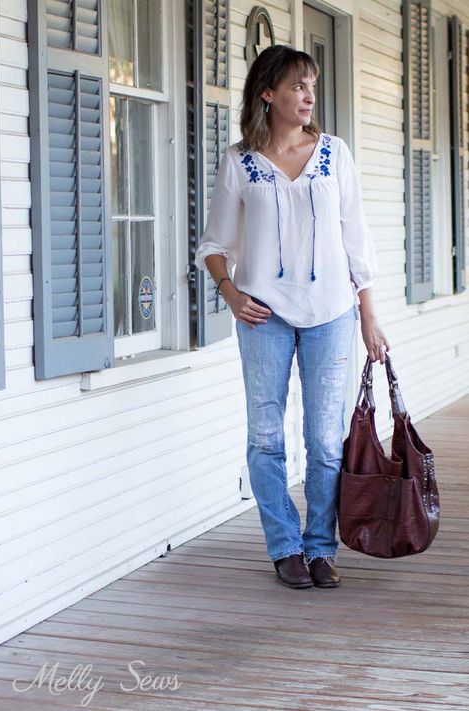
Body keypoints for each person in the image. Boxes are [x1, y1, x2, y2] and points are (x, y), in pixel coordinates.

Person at [195, 45, 390, 590]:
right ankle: (285, 545)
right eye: (297, 86)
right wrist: (230, 293)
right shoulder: (240, 163)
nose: (307, 96)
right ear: (267, 93)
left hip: (331, 313)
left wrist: (369, 316)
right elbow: (213, 243)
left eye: (311, 86)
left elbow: (357, 238)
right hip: (262, 317)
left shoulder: (335, 154)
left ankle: (321, 548)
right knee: (265, 436)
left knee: (326, 440)